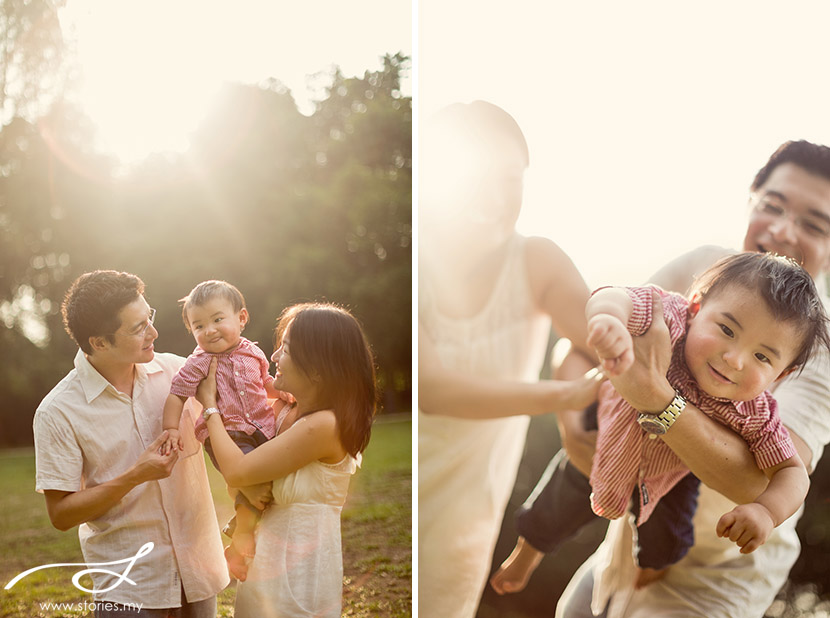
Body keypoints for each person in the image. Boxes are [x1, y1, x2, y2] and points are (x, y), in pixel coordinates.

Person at [507, 140, 830, 618]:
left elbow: (761, 480)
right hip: (629, 516)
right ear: (751, 200)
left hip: (719, 568)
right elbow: (584, 338)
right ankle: (530, 549)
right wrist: (575, 424)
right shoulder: (701, 271)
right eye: (773, 206)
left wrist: (656, 399)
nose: (782, 231)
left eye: (813, 224)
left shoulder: (815, 346)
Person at [493, 253, 829, 596]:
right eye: (726, 329)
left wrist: (766, 512)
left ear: (781, 375)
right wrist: (609, 319)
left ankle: (651, 569)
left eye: (762, 356)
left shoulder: (756, 411)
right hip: (609, 428)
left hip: (670, 473)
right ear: (696, 306)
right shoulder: (670, 320)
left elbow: (792, 470)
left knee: (667, 540)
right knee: (559, 498)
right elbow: (618, 297)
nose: (734, 359)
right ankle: (526, 553)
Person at [418, 100, 604, 617]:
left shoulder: (536, 259)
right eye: (475, 177)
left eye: (510, 179)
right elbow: (433, 389)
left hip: (468, 508)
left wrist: (571, 422)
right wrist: (564, 395)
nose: (496, 198)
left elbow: (598, 341)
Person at [33, 270, 229, 617]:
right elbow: (61, 515)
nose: (153, 332)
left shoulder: (178, 373)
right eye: (138, 328)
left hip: (202, 573)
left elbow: (248, 405)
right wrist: (135, 475)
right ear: (99, 342)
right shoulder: (58, 411)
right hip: (130, 590)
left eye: (148, 317)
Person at [194, 301, 376, 618]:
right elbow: (238, 463)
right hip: (264, 568)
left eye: (286, 349)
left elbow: (237, 470)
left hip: (300, 578)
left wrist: (209, 407)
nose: (275, 357)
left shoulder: (324, 426)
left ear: (317, 368)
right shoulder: (282, 412)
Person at [160, 279, 293, 582]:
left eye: (218, 319)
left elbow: (265, 384)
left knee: (266, 486)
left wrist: (281, 391)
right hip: (228, 434)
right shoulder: (199, 362)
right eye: (199, 325)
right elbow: (177, 394)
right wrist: (171, 427)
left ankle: (238, 532)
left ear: (241, 318)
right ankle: (240, 542)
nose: (209, 330)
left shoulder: (254, 353)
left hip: (262, 429)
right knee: (254, 483)